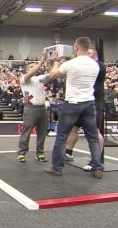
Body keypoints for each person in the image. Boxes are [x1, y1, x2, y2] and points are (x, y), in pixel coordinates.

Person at [43, 37, 104, 179]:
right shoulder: (95, 65)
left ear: (76, 47)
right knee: (93, 138)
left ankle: (56, 168)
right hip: (89, 103)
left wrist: (56, 62)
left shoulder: (71, 63)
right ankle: (98, 167)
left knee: (62, 137)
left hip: (72, 103)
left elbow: (52, 76)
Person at [64, 48, 105, 170]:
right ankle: (68, 152)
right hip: (81, 101)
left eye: (88, 54)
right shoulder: (85, 65)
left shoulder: (98, 66)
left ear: (95, 55)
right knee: (74, 128)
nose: (85, 56)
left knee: (94, 132)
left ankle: (96, 160)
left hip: (95, 102)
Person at [16, 50, 49, 163]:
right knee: (27, 131)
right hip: (30, 107)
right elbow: (30, 74)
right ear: (26, 69)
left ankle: (40, 153)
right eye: (31, 66)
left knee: (42, 132)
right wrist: (41, 62)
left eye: (35, 66)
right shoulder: (24, 79)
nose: (34, 68)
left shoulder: (40, 78)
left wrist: (56, 61)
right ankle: (21, 152)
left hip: (42, 107)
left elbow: (53, 75)